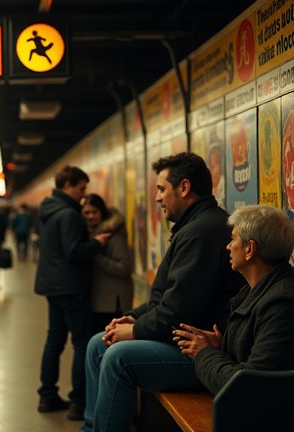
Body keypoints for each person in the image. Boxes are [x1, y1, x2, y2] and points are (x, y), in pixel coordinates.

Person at [81, 152, 245, 432]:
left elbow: (177, 313)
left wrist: (133, 332)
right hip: (179, 339)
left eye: (161, 189)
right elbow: (162, 300)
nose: (157, 198)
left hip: (202, 351)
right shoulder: (193, 227)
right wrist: (131, 319)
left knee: (118, 358)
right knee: (99, 343)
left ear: (184, 188)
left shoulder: (201, 232)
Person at [174, 205, 294, 394]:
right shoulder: (257, 290)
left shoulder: (281, 305)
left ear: (250, 249)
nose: (228, 246)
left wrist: (204, 353)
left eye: (233, 239)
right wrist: (222, 346)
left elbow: (249, 385)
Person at [35, 166, 109, 420]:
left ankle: (47, 395)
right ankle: (78, 401)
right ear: (67, 185)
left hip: (51, 285)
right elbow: (74, 251)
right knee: (80, 343)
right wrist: (97, 243)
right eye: (81, 188)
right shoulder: (69, 214)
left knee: (54, 340)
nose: (83, 193)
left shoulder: (48, 210)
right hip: (70, 286)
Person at [81, 194, 134, 332]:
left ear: (102, 213)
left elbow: (124, 268)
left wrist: (95, 255)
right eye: (86, 213)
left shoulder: (114, 234)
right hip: (97, 301)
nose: (90, 216)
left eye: (94, 212)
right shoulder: (88, 234)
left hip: (111, 303)